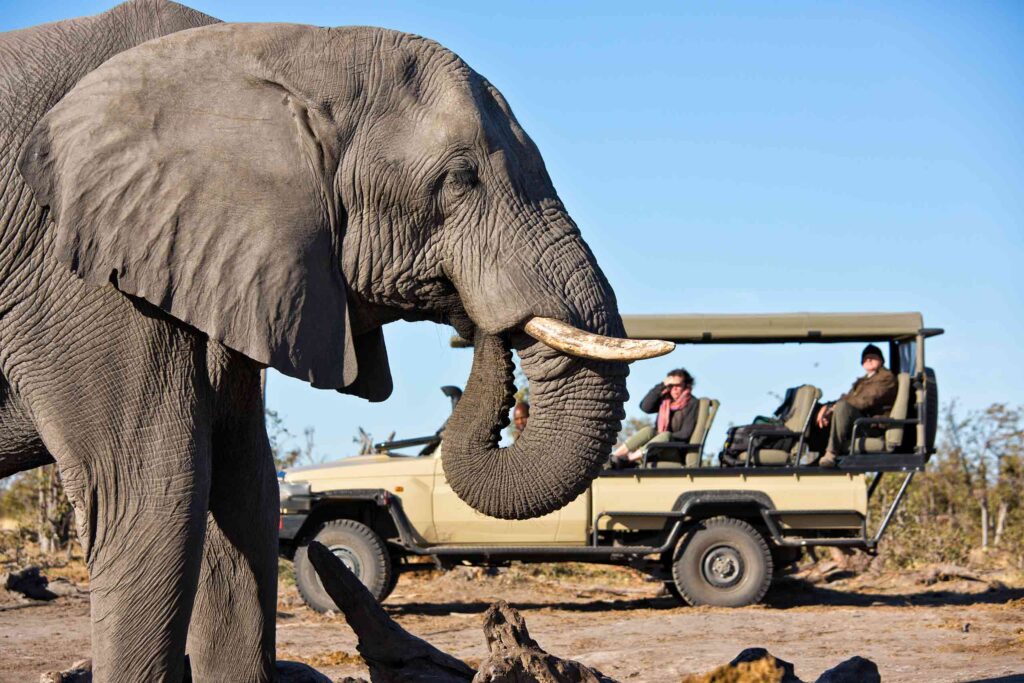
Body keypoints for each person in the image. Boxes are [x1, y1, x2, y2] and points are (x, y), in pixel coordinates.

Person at [815, 344, 898, 468]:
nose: (868, 360)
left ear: (881, 360)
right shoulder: (862, 381)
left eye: (873, 357)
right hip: (859, 422)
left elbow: (864, 401)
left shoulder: (886, 378)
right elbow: (847, 398)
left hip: (872, 426)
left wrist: (834, 408)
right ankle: (814, 452)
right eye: (866, 358)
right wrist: (827, 407)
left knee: (842, 407)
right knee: (818, 410)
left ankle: (831, 453)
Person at [610, 369, 698, 468]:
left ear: (686, 385)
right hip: (656, 447)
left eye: (678, 385)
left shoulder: (692, 403)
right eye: (671, 386)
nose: (674, 389)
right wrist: (662, 385)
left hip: (676, 449)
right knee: (649, 430)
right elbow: (645, 407)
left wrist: (662, 437)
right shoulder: (665, 400)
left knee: (666, 435)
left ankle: (630, 459)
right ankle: (613, 457)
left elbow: (685, 433)